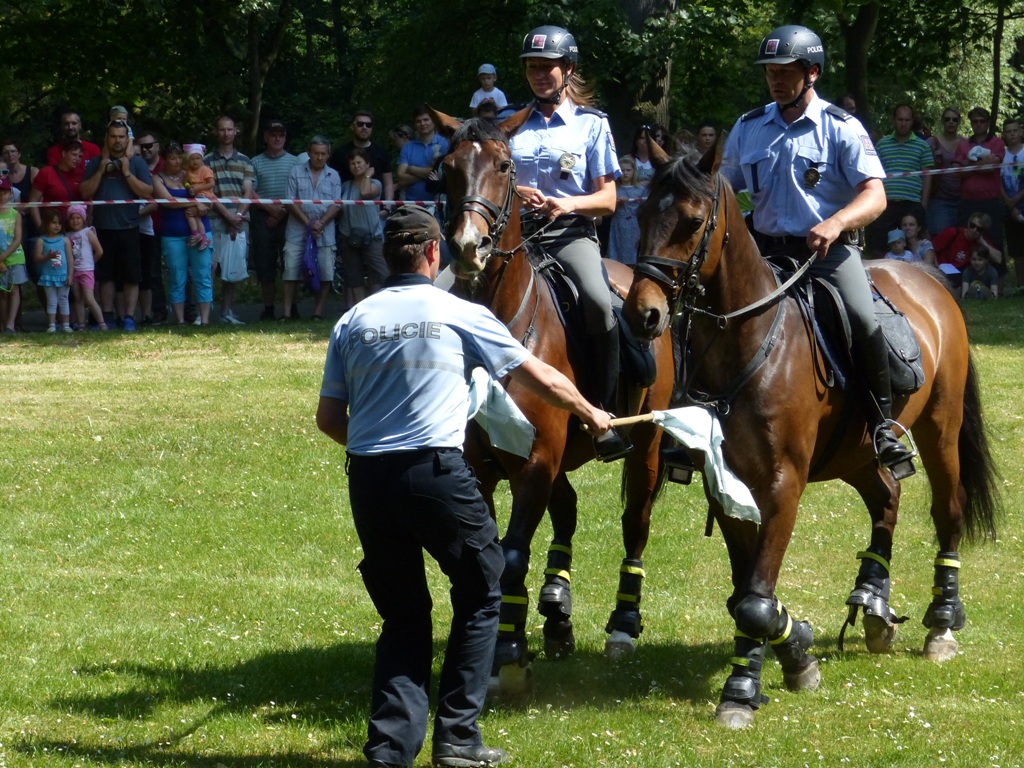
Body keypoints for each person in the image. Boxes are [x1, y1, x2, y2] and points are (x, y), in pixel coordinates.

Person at [315, 204, 611, 768]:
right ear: (433, 253)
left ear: (387, 255)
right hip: (435, 474)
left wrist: (380, 441)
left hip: (369, 481)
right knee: (481, 591)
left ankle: (390, 750)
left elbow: (330, 420)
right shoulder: (456, 312)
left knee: (402, 614)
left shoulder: (352, 320)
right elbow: (537, 375)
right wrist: (589, 412)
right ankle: (457, 740)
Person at [721, 24, 915, 475]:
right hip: (764, 251)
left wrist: (836, 222)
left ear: (811, 73)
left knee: (861, 318)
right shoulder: (749, 127)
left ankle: (883, 424)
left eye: (784, 71)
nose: (774, 79)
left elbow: (875, 195)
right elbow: (722, 188)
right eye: (769, 70)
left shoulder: (840, 127)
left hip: (826, 255)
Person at [509, 24, 632, 460]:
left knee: (599, 302)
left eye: (548, 67)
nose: (540, 75)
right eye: (532, 68)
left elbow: (609, 199)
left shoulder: (591, 125)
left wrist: (568, 205)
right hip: (515, 239)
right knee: (446, 292)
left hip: (568, 235)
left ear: (568, 69)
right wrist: (518, 193)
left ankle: (603, 410)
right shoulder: (510, 125)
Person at [79, 119, 154, 332]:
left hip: (129, 227)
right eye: (113, 136)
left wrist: (127, 172)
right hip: (102, 228)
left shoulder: (137, 163)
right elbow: (85, 192)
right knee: (105, 276)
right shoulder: (95, 162)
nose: (117, 141)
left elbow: (147, 193)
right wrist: (102, 170)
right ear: (106, 139)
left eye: (121, 137)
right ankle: (108, 316)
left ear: (127, 139)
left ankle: (129, 317)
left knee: (131, 276)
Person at [152, 143, 214, 326]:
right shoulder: (157, 179)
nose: (177, 161)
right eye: (172, 158)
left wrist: (204, 205)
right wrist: (193, 203)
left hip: (201, 231)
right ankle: (179, 320)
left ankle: (205, 320)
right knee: (177, 276)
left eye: (179, 157)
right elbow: (168, 202)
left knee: (202, 275)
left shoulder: (191, 174)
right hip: (173, 234)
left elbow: (209, 197)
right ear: (165, 160)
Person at [284, 135, 341, 320]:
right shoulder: (295, 171)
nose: (319, 157)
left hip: (325, 230)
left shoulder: (334, 175)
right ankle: (286, 314)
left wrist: (321, 222)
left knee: (326, 272)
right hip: (297, 229)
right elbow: (290, 201)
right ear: (309, 153)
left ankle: (317, 312)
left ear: (328, 155)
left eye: (323, 154)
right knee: (291, 270)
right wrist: (308, 223)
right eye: (316, 153)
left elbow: (337, 204)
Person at [205, 115, 255, 325]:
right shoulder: (206, 161)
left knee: (232, 268)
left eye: (229, 129)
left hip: (240, 220)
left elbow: (249, 191)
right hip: (215, 217)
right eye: (222, 130)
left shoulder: (245, 161)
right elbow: (207, 192)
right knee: (209, 266)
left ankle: (226, 312)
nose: (226, 133)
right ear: (216, 132)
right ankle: (204, 312)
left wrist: (238, 215)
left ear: (236, 131)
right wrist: (227, 214)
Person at [866, 104, 934, 258]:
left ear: (912, 121)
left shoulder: (922, 146)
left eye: (907, 120)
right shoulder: (882, 145)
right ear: (894, 120)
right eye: (900, 119)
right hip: (886, 204)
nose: (903, 123)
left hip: (912, 204)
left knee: (913, 248)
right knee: (880, 247)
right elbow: (874, 174)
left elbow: (927, 176)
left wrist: (923, 205)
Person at [251, 119, 299, 320]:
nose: (277, 138)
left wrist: (282, 213)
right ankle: (269, 308)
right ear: (266, 137)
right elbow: (250, 192)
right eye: (273, 134)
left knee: (291, 263)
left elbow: (299, 192)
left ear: (285, 138)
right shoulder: (255, 162)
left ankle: (292, 308)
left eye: (281, 135)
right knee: (265, 264)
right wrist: (271, 210)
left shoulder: (296, 162)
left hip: (291, 216)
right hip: (263, 217)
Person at [337, 147, 386, 309]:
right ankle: (361, 310)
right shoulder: (345, 186)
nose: (356, 166)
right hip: (349, 237)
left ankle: (377, 308)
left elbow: (365, 193)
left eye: (359, 162)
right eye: (352, 163)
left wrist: (368, 175)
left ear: (367, 164)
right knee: (354, 277)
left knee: (378, 276)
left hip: (372, 237)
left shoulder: (376, 184)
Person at [959, 107, 1006, 249]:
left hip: (990, 202)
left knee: (994, 240)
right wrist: (982, 164)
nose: (978, 124)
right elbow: (957, 172)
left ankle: (998, 271)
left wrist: (969, 164)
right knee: (966, 242)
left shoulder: (997, 142)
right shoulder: (963, 144)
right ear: (971, 123)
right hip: (968, 202)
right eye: (975, 121)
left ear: (987, 123)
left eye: (982, 121)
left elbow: (992, 166)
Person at [135, 130, 167, 325]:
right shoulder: (136, 167)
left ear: (157, 146)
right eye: (142, 147)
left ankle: (186, 312)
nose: (146, 150)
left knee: (177, 270)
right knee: (150, 271)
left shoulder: (168, 165)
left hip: (170, 225)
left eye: (149, 146)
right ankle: (156, 311)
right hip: (146, 229)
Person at [330, 110, 395, 203]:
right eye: (360, 124)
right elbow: (332, 183)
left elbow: (388, 183)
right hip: (346, 208)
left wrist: (387, 207)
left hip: (375, 208)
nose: (364, 127)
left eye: (368, 125)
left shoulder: (381, 152)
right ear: (352, 127)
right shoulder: (340, 152)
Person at [926, 107, 969, 236]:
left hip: (963, 198)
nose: (951, 122)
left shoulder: (966, 143)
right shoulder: (932, 142)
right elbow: (923, 169)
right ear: (942, 122)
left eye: (955, 119)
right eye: (947, 119)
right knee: (940, 236)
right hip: (939, 199)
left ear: (959, 122)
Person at [932, 211, 1003, 289]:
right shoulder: (953, 232)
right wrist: (936, 266)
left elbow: (998, 259)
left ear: (983, 232)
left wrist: (983, 243)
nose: (974, 230)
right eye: (972, 225)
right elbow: (932, 249)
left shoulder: (980, 241)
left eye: (979, 229)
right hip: (942, 270)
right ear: (968, 223)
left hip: (962, 274)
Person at [66, 204, 106, 330]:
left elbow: (99, 251)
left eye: (78, 218)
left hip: (86, 271)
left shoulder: (88, 232)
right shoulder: (68, 235)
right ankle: (81, 324)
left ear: (83, 219)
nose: (75, 221)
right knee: (77, 298)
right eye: (72, 218)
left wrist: (91, 263)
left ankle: (102, 324)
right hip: (74, 271)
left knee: (89, 298)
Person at [397, 106, 449, 203]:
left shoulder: (445, 144)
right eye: (418, 121)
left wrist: (412, 169)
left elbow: (444, 175)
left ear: (433, 121)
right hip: (411, 205)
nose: (422, 124)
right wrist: (428, 172)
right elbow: (401, 179)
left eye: (426, 120)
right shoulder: (408, 147)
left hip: (437, 205)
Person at [34, 209, 74, 333]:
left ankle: (66, 325)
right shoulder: (41, 240)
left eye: (59, 223)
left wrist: (70, 274)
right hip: (48, 276)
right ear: (46, 224)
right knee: (51, 300)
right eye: (53, 222)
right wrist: (47, 257)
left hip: (63, 276)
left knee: (63, 299)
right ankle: (52, 325)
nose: (57, 226)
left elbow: (69, 257)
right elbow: (37, 258)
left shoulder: (65, 240)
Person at [0, 176, 28, 333]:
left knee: (14, 290)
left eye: (4, 192)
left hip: (15, 257)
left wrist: (3, 256)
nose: (1, 196)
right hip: (0, 260)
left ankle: (10, 325)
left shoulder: (16, 214)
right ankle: (3, 324)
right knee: (3, 292)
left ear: (10, 193)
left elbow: (17, 239)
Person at [1000, 117, 1024, 293]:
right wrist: (1010, 204)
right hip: (1008, 207)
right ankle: (1021, 284)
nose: (1012, 134)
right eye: (1008, 131)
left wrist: (1016, 199)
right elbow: (997, 180)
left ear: (1021, 132)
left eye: (1015, 130)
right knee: (1016, 249)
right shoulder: (1002, 155)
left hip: (1020, 200)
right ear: (1004, 135)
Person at [607, 156, 645, 265]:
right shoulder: (614, 190)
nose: (625, 173)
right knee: (616, 252)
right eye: (622, 170)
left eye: (628, 170)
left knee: (632, 252)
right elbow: (607, 213)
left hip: (635, 225)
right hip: (617, 224)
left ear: (634, 171)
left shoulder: (641, 190)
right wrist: (617, 204)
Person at [45, 111, 101, 182]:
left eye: (74, 123)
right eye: (66, 124)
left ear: (80, 125)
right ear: (62, 126)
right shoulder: (54, 152)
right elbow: (53, 178)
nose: (70, 127)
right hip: (64, 191)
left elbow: (98, 175)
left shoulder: (93, 149)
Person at [183, 144, 215, 249]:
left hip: (205, 197)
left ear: (202, 158)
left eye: (197, 158)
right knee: (196, 217)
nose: (195, 161)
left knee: (189, 212)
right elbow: (186, 182)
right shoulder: (188, 171)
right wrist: (189, 188)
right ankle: (204, 238)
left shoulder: (205, 170)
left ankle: (196, 234)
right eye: (192, 159)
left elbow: (211, 184)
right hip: (196, 197)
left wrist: (197, 189)